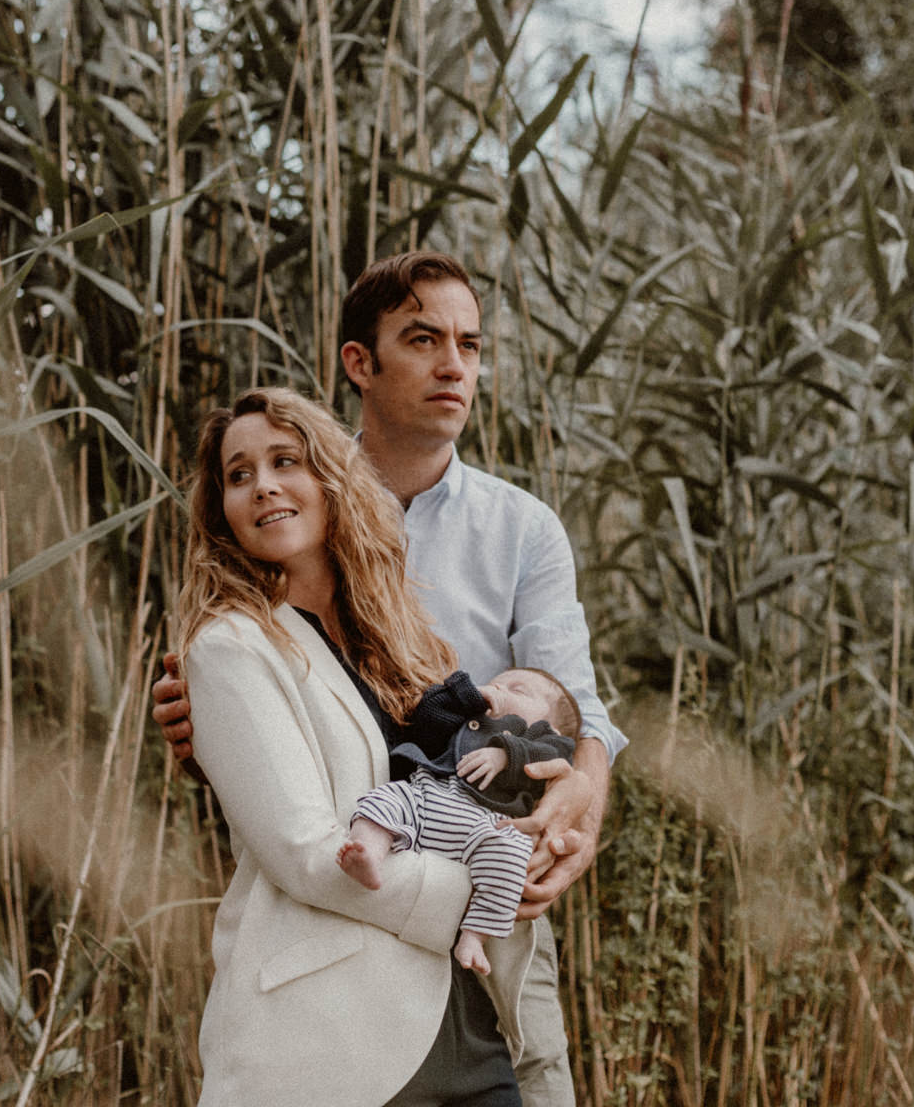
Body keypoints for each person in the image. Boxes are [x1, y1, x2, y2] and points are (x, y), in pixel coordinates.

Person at [156, 251, 628, 1107]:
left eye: (470, 345)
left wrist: (577, 809)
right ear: (359, 363)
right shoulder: (292, 505)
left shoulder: (520, 529)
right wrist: (209, 737)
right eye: (423, 340)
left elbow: (576, 708)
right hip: (359, 940)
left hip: (494, 909)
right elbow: (289, 799)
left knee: (540, 1081)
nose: (454, 365)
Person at [179, 386, 535, 1106]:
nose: (264, 485)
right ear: (222, 511)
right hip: (337, 1035)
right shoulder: (229, 648)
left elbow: (460, 786)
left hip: (464, 1020)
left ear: (331, 477)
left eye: (286, 461)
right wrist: (482, 894)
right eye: (239, 475)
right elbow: (310, 853)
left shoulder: (398, 636)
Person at [339, 668, 580, 977]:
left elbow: (550, 757)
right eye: (495, 683)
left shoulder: (547, 741)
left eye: (518, 691)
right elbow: (427, 717)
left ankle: (475, 936)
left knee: (512, 855)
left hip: (487, 826)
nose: (498, 689)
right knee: (386, 799)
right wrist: (466, 695)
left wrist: (506, 755)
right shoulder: (466, 719)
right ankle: (368, 853)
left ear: (553, 728)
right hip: (427, 797)